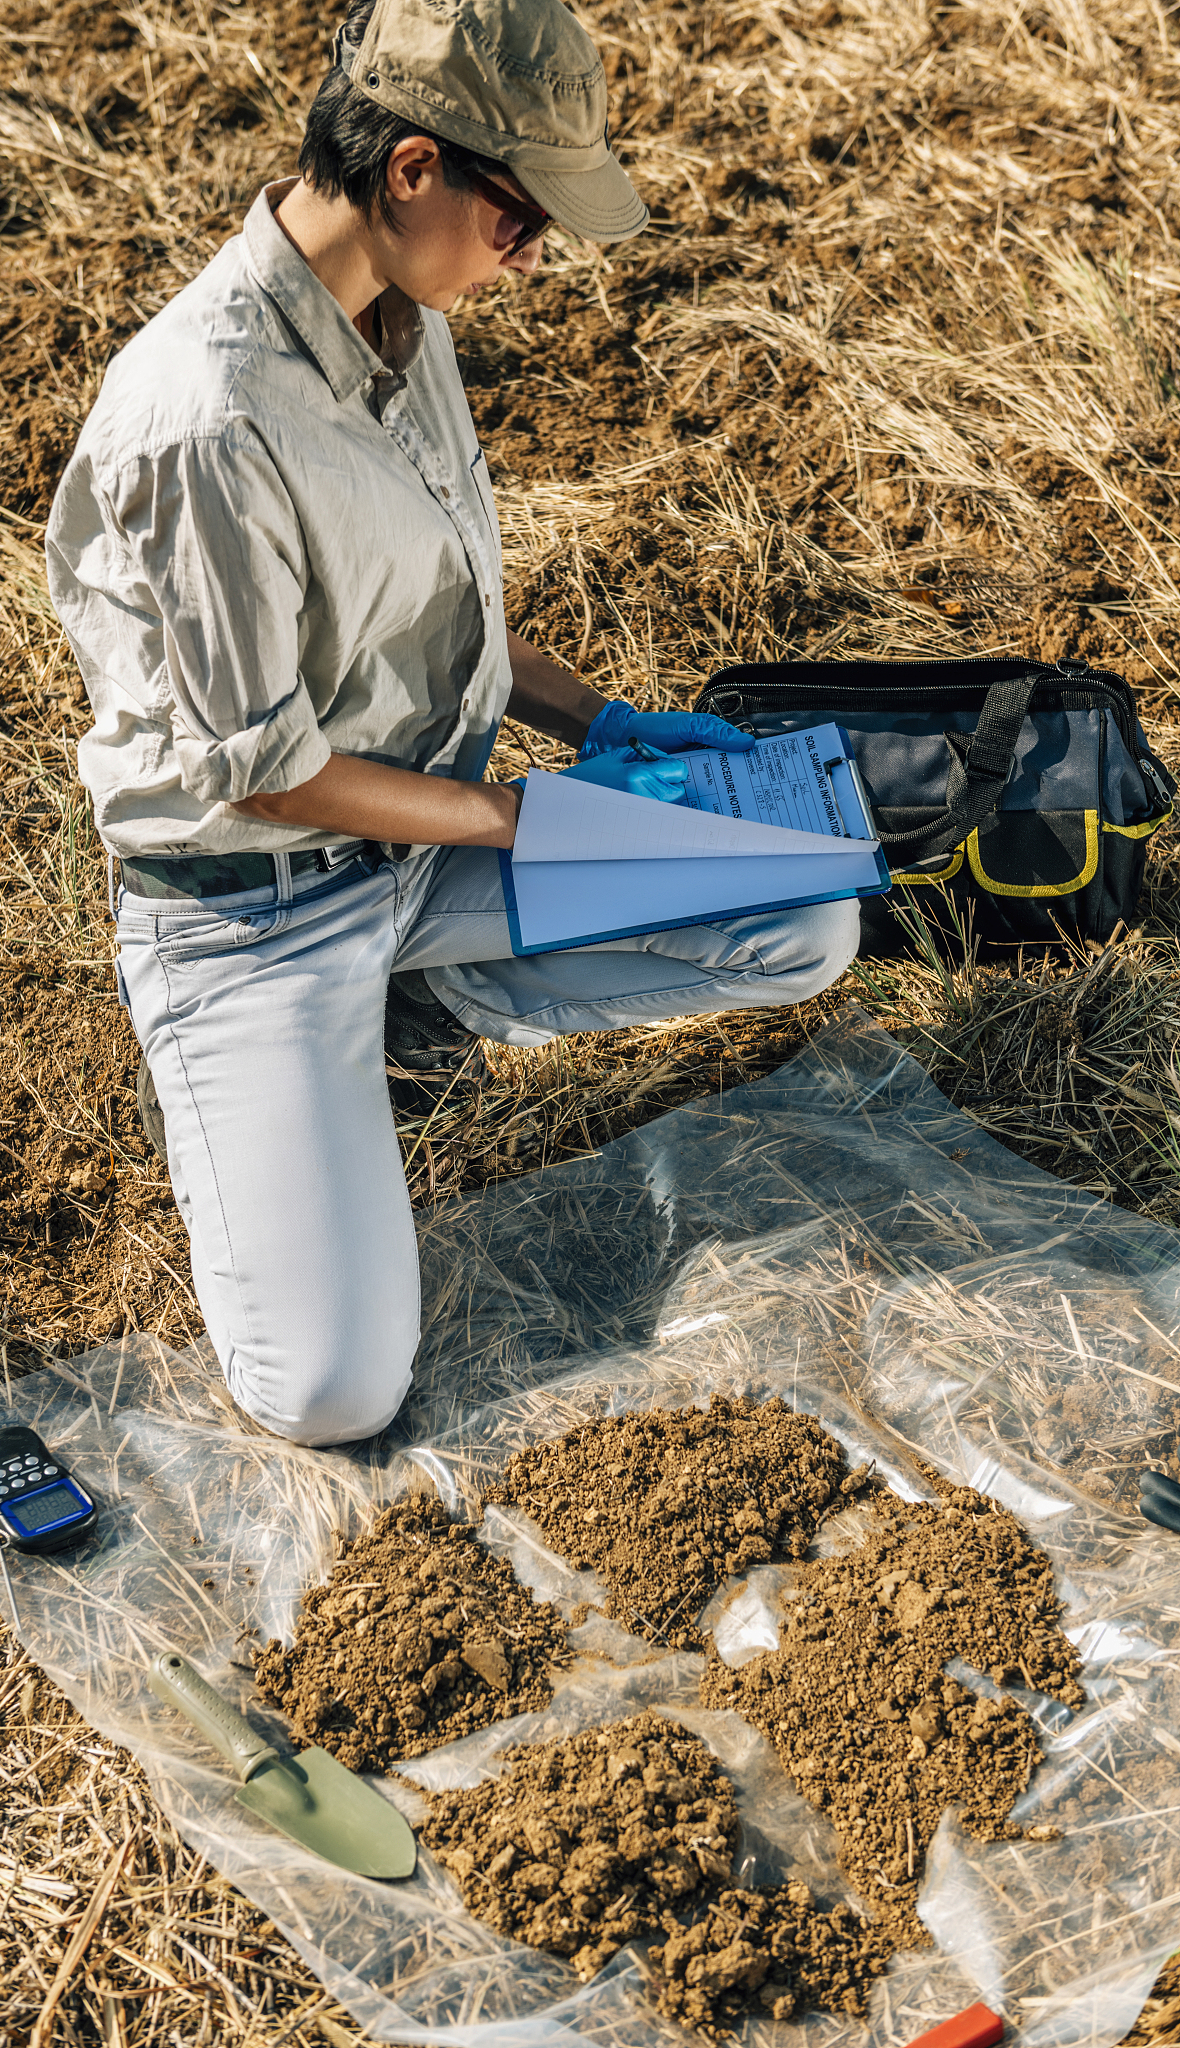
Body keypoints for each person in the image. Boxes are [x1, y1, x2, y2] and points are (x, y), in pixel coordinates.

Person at [45, 0, 858, 1448]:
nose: (532, 255)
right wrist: (530, 818)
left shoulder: (402, 319)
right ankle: (284, 1060)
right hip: (260, 910)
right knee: (332, 1393)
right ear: (412, 168)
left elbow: (447, 610)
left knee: (799, 921)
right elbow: (274, 778)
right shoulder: (204, 421)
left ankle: (418, 1006)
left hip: (419, 848)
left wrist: (603, 721)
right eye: (522, 217)